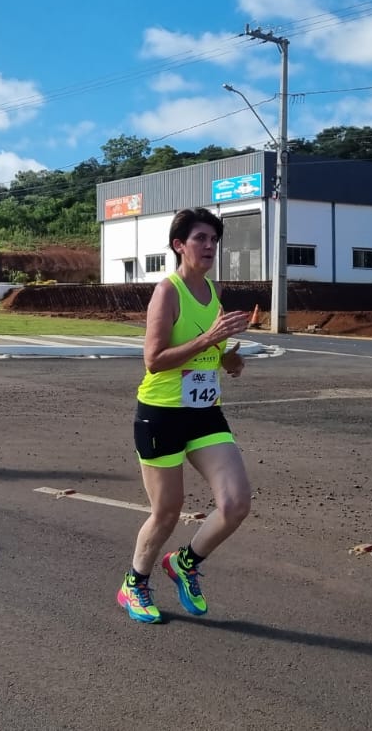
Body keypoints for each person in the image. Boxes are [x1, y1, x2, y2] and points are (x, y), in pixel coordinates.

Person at [117, 207, 253, 624]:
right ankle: (134, 583)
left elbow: (209, 355)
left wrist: (228, 356)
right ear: (179, 245)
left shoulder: (212, 293)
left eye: (213, 239)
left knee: (236, 504)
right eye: (200, 238)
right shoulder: (168, 290)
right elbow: (154, 359)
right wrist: (211, 337)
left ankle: (185, 563)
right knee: (167, 512)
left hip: (204, 412)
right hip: (161, 414)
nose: (209, 245)